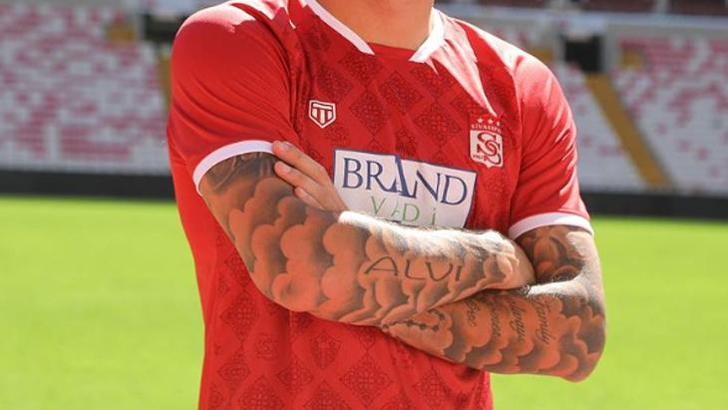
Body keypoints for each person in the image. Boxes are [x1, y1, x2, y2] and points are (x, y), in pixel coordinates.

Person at [167, 0, 607, 408]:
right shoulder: (241, 39)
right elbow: (299, 265)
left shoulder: (519, 86)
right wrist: (496, 257)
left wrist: (348, 252)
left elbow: (578, 336)